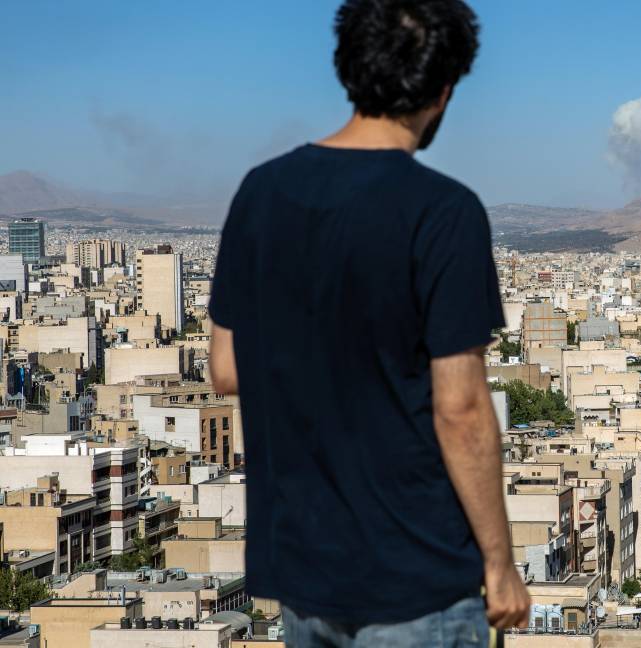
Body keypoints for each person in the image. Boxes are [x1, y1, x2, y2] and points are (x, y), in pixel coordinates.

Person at [208, 0, 531, 645]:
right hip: (415, 575)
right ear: (443, 90)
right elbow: (461, 407)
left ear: (349, 68)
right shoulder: (444, 212)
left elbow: (225, 368)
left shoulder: (260, 193)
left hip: (305, 571)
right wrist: (499, 564)